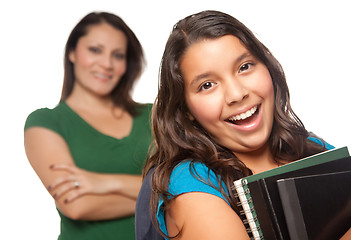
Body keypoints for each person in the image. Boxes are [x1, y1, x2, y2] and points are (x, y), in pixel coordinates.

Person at [138, 10, 350, 240]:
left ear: (268, 67)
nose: (237, 94)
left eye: (245, 67)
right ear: (186, 110)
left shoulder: (312, 147)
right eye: (207, 85)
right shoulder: (190, 182)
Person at [24, 12, 152, 239]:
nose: (106, 64)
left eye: (118, 55)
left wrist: (104, 182)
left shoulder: (154, 115)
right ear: (72, 52)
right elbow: (77, 205)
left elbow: (186, 182)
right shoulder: (46, 122)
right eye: (95, 50)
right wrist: (161, 198)